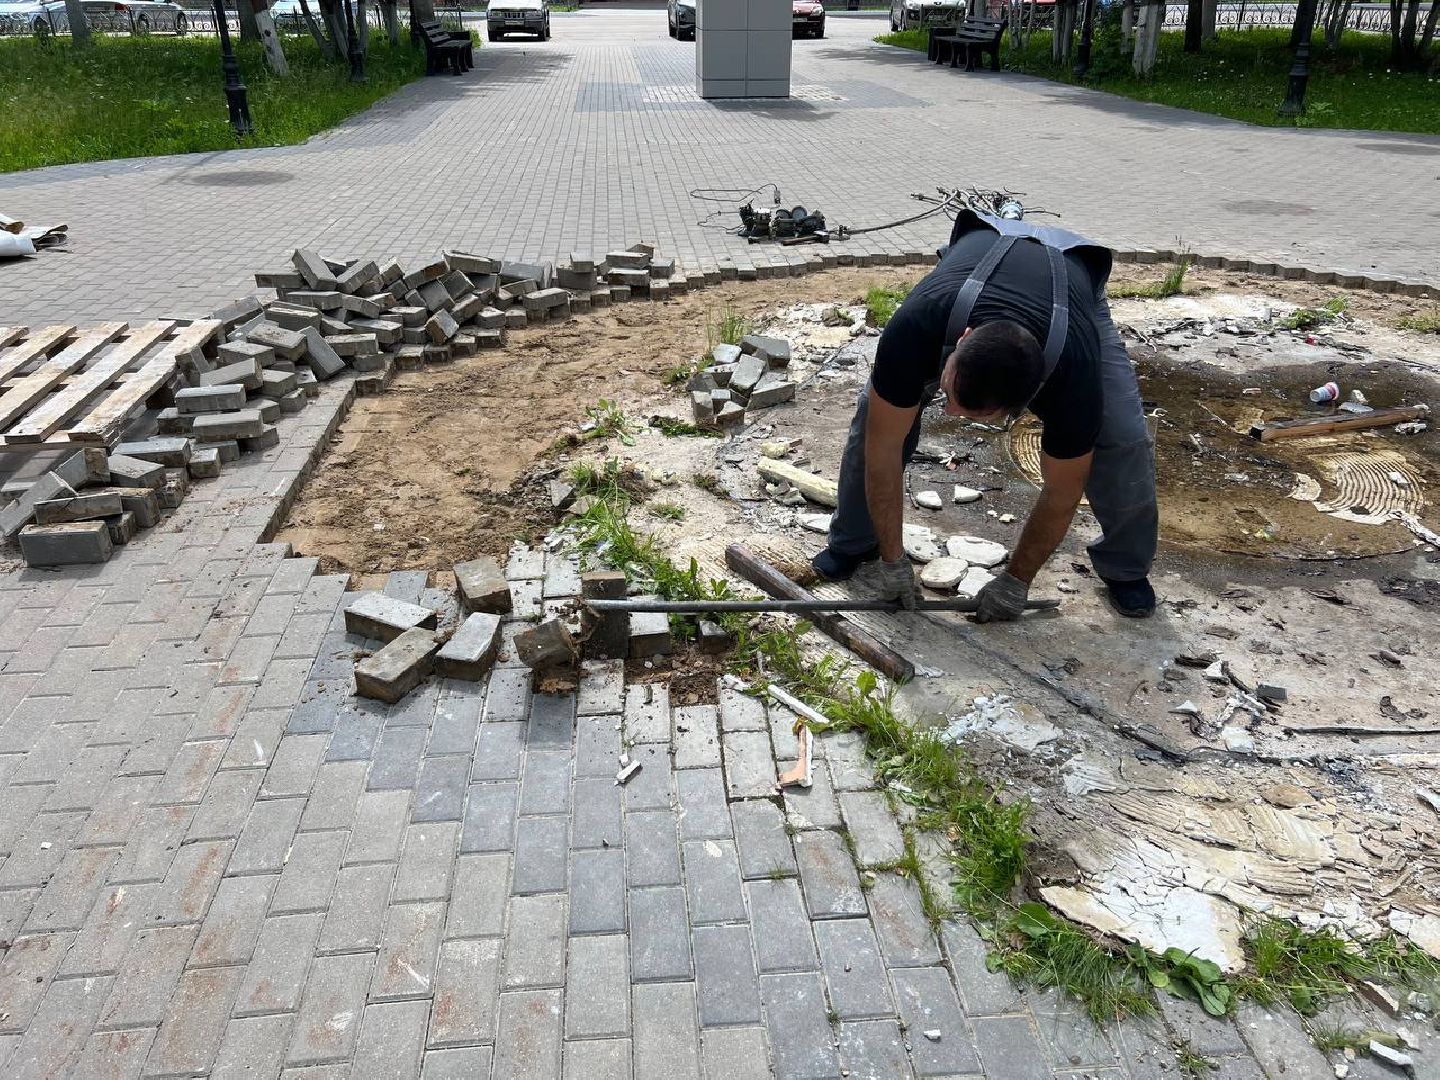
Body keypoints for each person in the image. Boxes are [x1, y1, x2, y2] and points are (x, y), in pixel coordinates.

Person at [811, 209, 1158, 620]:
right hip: (974, 261)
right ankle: (854, 541)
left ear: (1027, 401)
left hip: (1073, 282)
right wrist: (892, 560)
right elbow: (881, 450)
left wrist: (1016, 581)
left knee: (1122, 436)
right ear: (963, 339)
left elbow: (1063, 492)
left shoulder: (1072, 375)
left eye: (974, 413)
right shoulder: (917, 327)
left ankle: (1126, 568)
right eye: (949, 392)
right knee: (877, 418)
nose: (951, 413)